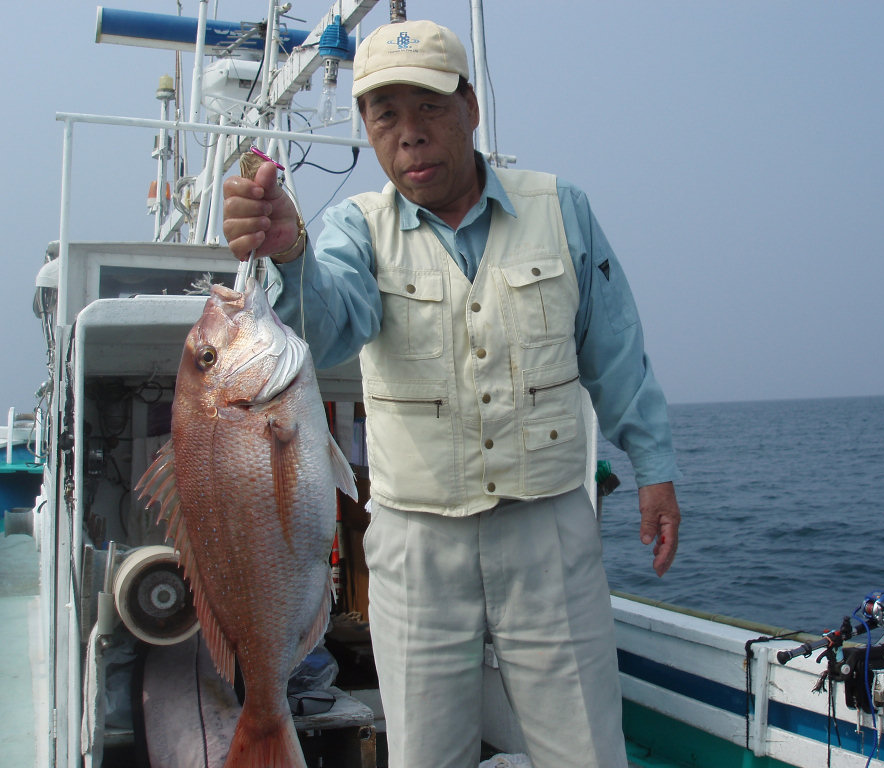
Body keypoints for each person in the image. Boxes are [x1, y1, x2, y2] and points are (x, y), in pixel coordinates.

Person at [222, 18, 680, 768]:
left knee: (588, 750)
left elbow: (617, 353)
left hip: (549, 530)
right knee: (425, 755)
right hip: (415, 541)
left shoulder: (563, 210)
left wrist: (654, 468)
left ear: (470, 105)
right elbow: (328, 327)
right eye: (385, 116)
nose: (409, 135)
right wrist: (289, 251)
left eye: (429, 107)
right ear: (368, 131)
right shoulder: (354, 228)